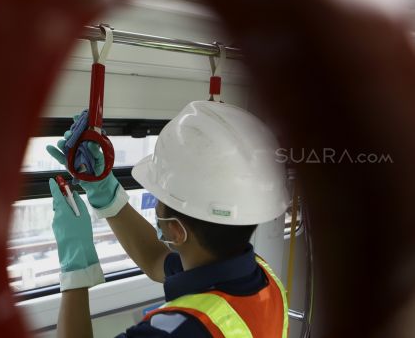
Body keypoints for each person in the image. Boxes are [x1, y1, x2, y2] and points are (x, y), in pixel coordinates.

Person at [46, 100, 290, 337]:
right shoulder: (264, 279)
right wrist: (104, 193)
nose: (157, 204)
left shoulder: (174, 330)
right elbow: (156, 260)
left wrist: (75, 269)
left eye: (159, 197)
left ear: (176, 230)